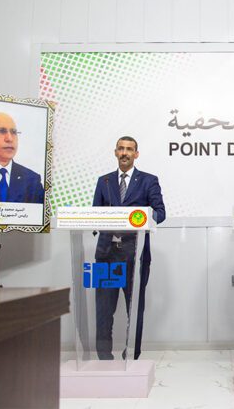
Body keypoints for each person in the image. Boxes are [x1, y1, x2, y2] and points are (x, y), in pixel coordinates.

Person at [92, 136, 166, 360]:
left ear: (136, 154)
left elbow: (160, 213)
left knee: (134, 308)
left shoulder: (148, 181)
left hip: (135, 254)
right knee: (103, 308)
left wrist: (137, 218)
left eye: (129, 149)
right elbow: (94, 214)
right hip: (106, 254)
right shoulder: (104, 181)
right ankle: (103, 355)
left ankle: (132, 353)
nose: (125, 153)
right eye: (121, 149)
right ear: (115, 152)